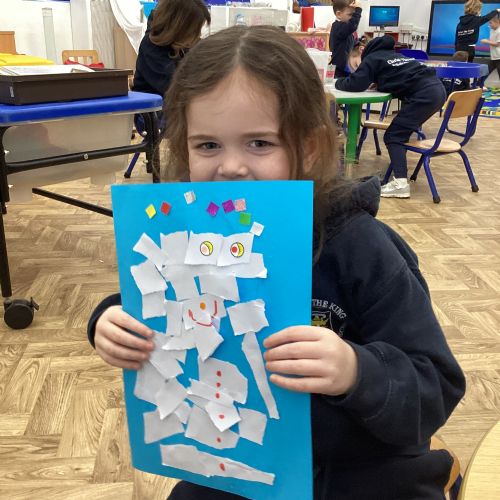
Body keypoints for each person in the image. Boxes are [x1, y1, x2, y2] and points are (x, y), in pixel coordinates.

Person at [88, 25, 465, 500]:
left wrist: (356, 370)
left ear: (308, 147)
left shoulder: (362, 248)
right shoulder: (192, 237)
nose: (230, 168)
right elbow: (156, 307)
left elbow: (435, 387)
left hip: (366, 469)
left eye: (260, 143)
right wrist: (109, 319)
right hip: (243, 461)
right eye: (208, 145)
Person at [337, 35, 447, 199]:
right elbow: (400, 76)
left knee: (394, 136)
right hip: (437, 90)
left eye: (356, 64)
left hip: (424, 95)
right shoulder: (396, 55)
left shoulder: (371, 58)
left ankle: (400, 184)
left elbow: (354, 84)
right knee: (399, 133)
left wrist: (338, 82)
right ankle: (399, 176)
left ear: (362, 51)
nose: (357, 69)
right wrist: (380, 82)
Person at [132, 0, 211, 97]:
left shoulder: (182, 46)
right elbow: (175, 89)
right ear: (179, 27)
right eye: (194, 31)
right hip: (154, 105)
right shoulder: (152, 47)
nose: (198, 35)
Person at [329, 0, 362, 77]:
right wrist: (358, 10)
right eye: (350, 15)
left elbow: (350, 43)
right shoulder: (337, 27)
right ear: (339, 14)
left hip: (346, 67)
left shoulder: (345, 29)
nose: (352, 18)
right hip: (339, 70)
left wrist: (359, 45)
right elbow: (352, 26)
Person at [480, 14, 500, 79]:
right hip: (494, 56)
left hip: (499, 57)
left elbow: (497, 44)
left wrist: (486, 41)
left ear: (497, 22)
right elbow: (493, 40)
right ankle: (480, 83)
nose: (489, 25)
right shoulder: (492, 30)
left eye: (491, 23)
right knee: (487, 72)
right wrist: (487, 40)